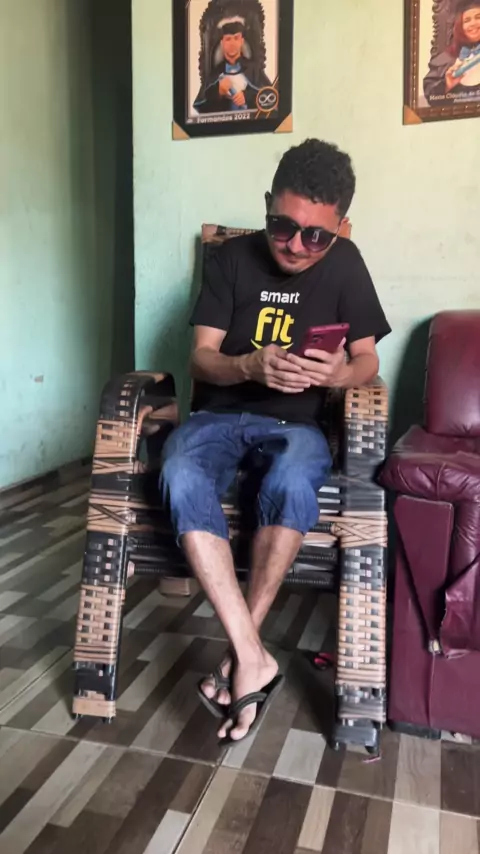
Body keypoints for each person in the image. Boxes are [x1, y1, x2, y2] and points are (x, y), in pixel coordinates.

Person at [160, 139, 391, 746]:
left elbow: (367, 361)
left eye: (316, 236)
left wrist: (339, 374)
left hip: (299, 428)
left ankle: (242, 656)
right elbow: (201, 357)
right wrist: (248, 366)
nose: (295, 245)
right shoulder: (231, 258)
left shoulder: (347, 263)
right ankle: (251, 657)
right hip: (219, 417)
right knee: (178, 469)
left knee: (292, 479)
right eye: (282, 227)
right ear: (267, 204)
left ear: (339, 227)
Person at [194, 16, 272, 114]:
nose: (232, 43)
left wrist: (247, 97)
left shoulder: (254, 69)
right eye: (228, 39)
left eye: (236, 38)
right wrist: (217, 92)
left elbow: (271, 97)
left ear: (241, 41)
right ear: (222, 43)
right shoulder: (215, 73)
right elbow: (200, 107)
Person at [424, 1, 480, 104]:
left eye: (478, 17)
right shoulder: (445, 58)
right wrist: (447, 85)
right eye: (467, 20)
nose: (473, 23)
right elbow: (430, 96)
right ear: (460, 26)